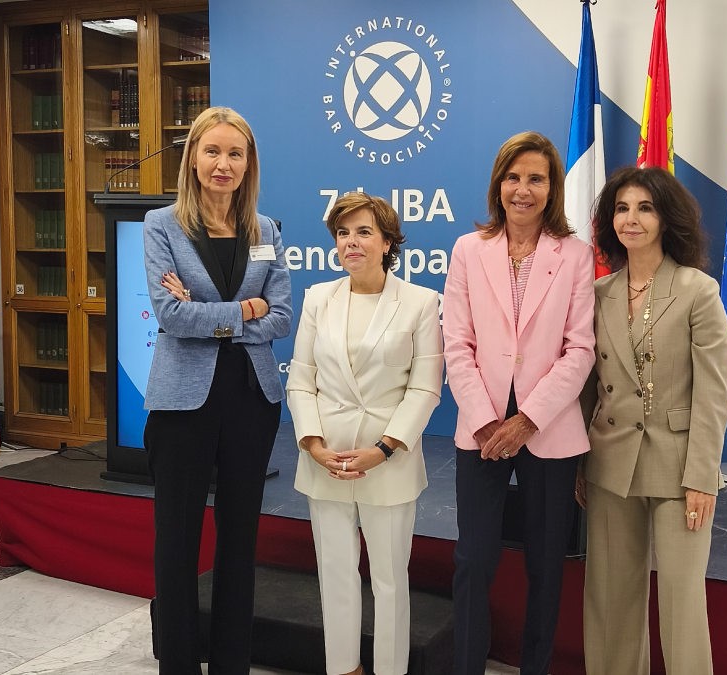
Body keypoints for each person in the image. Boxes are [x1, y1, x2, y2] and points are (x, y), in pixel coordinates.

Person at [142, 106, 292, 675]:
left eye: (235, 153)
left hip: (251, 400)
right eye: (213, 151)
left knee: (239, 541)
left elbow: (280, 318)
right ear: (193, 158)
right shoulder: (163, 225)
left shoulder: (267, 230)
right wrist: (240, 311)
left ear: (248, 162)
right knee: (176, 543)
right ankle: (178, 665)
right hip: (183, 404)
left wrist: (210, 312)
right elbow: (169, 315)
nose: (223, 164)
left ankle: (232, 664)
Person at [443, 131, 595, 675]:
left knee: (545, 565)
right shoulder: (468, 249)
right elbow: (456, 342)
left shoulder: (575, 255)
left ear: (552, 187)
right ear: (498, 183)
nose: (523, 189)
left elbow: (580, 350)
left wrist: (527, 419)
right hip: (480, 431)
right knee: (472, 559)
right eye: (513, 177)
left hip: (549, 431)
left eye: (536, 178)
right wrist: (487, 423)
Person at [576, 166, 727, 675]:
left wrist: (702, 477)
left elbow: (713, 394)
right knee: (611, 602)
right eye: (622, 208)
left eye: (645, 207)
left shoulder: (697, 290)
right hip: (608, 465)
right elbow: (586, 386)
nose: (632, 219)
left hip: (679, 468)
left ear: (666, 217)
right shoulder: (597, 294)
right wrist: (581, 462)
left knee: (682, 604)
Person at [286, 192, 444, 675]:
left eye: (363, 232)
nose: (351, 243)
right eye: (342, 233)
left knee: (391, 578)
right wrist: (313, 445)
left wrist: (384, 449)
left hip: (387, 460)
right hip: (327, 458)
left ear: (388, 242)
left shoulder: (419, 302)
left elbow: (425, 388)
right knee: (334, 573)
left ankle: (391, 669)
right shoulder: (318, 297)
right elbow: (301, 377)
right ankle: (343, 668)